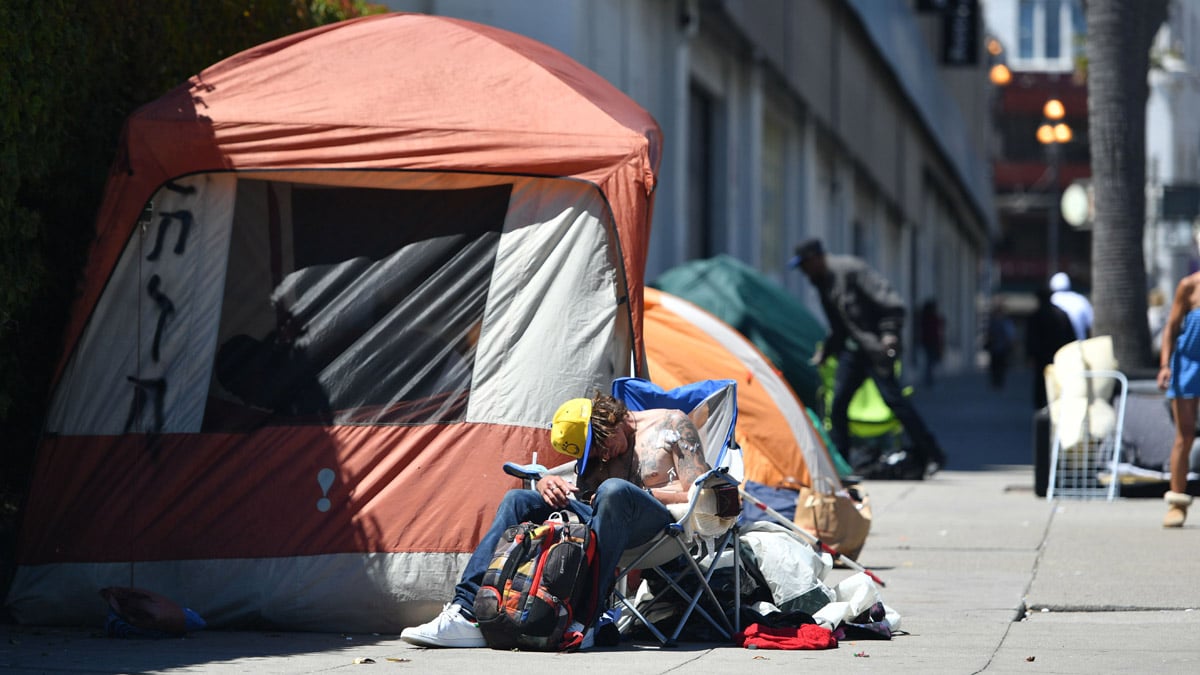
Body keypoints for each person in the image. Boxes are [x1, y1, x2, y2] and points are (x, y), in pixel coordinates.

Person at [400, 391, 711, 647]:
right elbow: (586, 497)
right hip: (606, 522)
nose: (604, 457)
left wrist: (639, 493)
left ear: (609, 422)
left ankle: (586, 619)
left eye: (601, 447)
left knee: (615, 490)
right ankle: (467, 611)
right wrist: (547, 482)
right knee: (519, 500)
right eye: (594, 455)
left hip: (660, 526)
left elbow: (701, 491)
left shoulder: (671, 424)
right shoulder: (601, 457)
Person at [789, 238, 947, 476]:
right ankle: (840, 464)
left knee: (895, 401)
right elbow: (840, 325)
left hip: (876, 349)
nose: (803, 272)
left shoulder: (850, 270)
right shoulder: (822, 282)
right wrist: (827, 351)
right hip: (854, 351)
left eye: (804, 265)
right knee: (838, 405)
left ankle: (933, 454)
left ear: (816, 258)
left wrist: (889, 334)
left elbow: (892, 303)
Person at [1157, 272, 1200, 527]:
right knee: (1185, 436)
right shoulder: (1189, 286)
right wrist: (1165, 365)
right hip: (1188, 365)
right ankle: (1177, 503)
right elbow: (1172, 327)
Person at [1025, 285, 1076, 410]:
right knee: (1059, 382)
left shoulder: (1036, 316)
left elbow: (1031, 338)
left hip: (1042, 357)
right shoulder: (1062, 314)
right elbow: (1071, 337)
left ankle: (1041, 409)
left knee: (1041, 383)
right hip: (1060, 356)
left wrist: (1031, 355)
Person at [1049, 272, 1094, 341]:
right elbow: (1091, 323)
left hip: (1058, 345)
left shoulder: (1051, 300)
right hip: (1079, 344)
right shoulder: (1080, 299)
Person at [984, 299, 1016, 390]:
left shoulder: (1004, 322)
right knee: (996, 365)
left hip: (1001, 347)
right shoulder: (995, 322)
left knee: (1000, 365)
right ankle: (996, 382)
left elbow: (1009, 334)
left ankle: (999, 382)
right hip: (996, 347)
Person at [917, 298, 944, 386]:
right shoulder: (933, 318)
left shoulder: (924, 318)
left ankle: (928, 378)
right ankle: (929, 378)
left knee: (929, 360)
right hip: (932, 342)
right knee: (930, 361)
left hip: (927, 341)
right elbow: (937, 330)